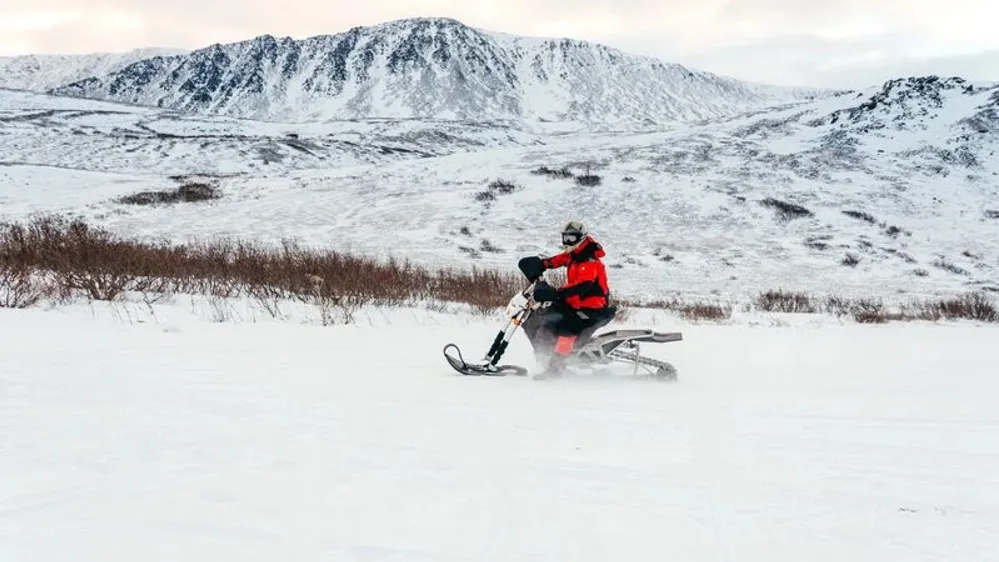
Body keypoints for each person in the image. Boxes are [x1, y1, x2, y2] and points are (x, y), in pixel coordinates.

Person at [519, 221, 613, 378]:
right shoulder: (575, 255)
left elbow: (583, 286)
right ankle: (547, 352)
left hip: (592, 307)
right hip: (575, 303)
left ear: (581, 238)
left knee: (566, 328)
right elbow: (559, 260)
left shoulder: (589, 261)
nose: (567, 242)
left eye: (571, 238)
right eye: (565, 238)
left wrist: (557, 293)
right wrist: (542, 264)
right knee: (545, 315)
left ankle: (556, 369)